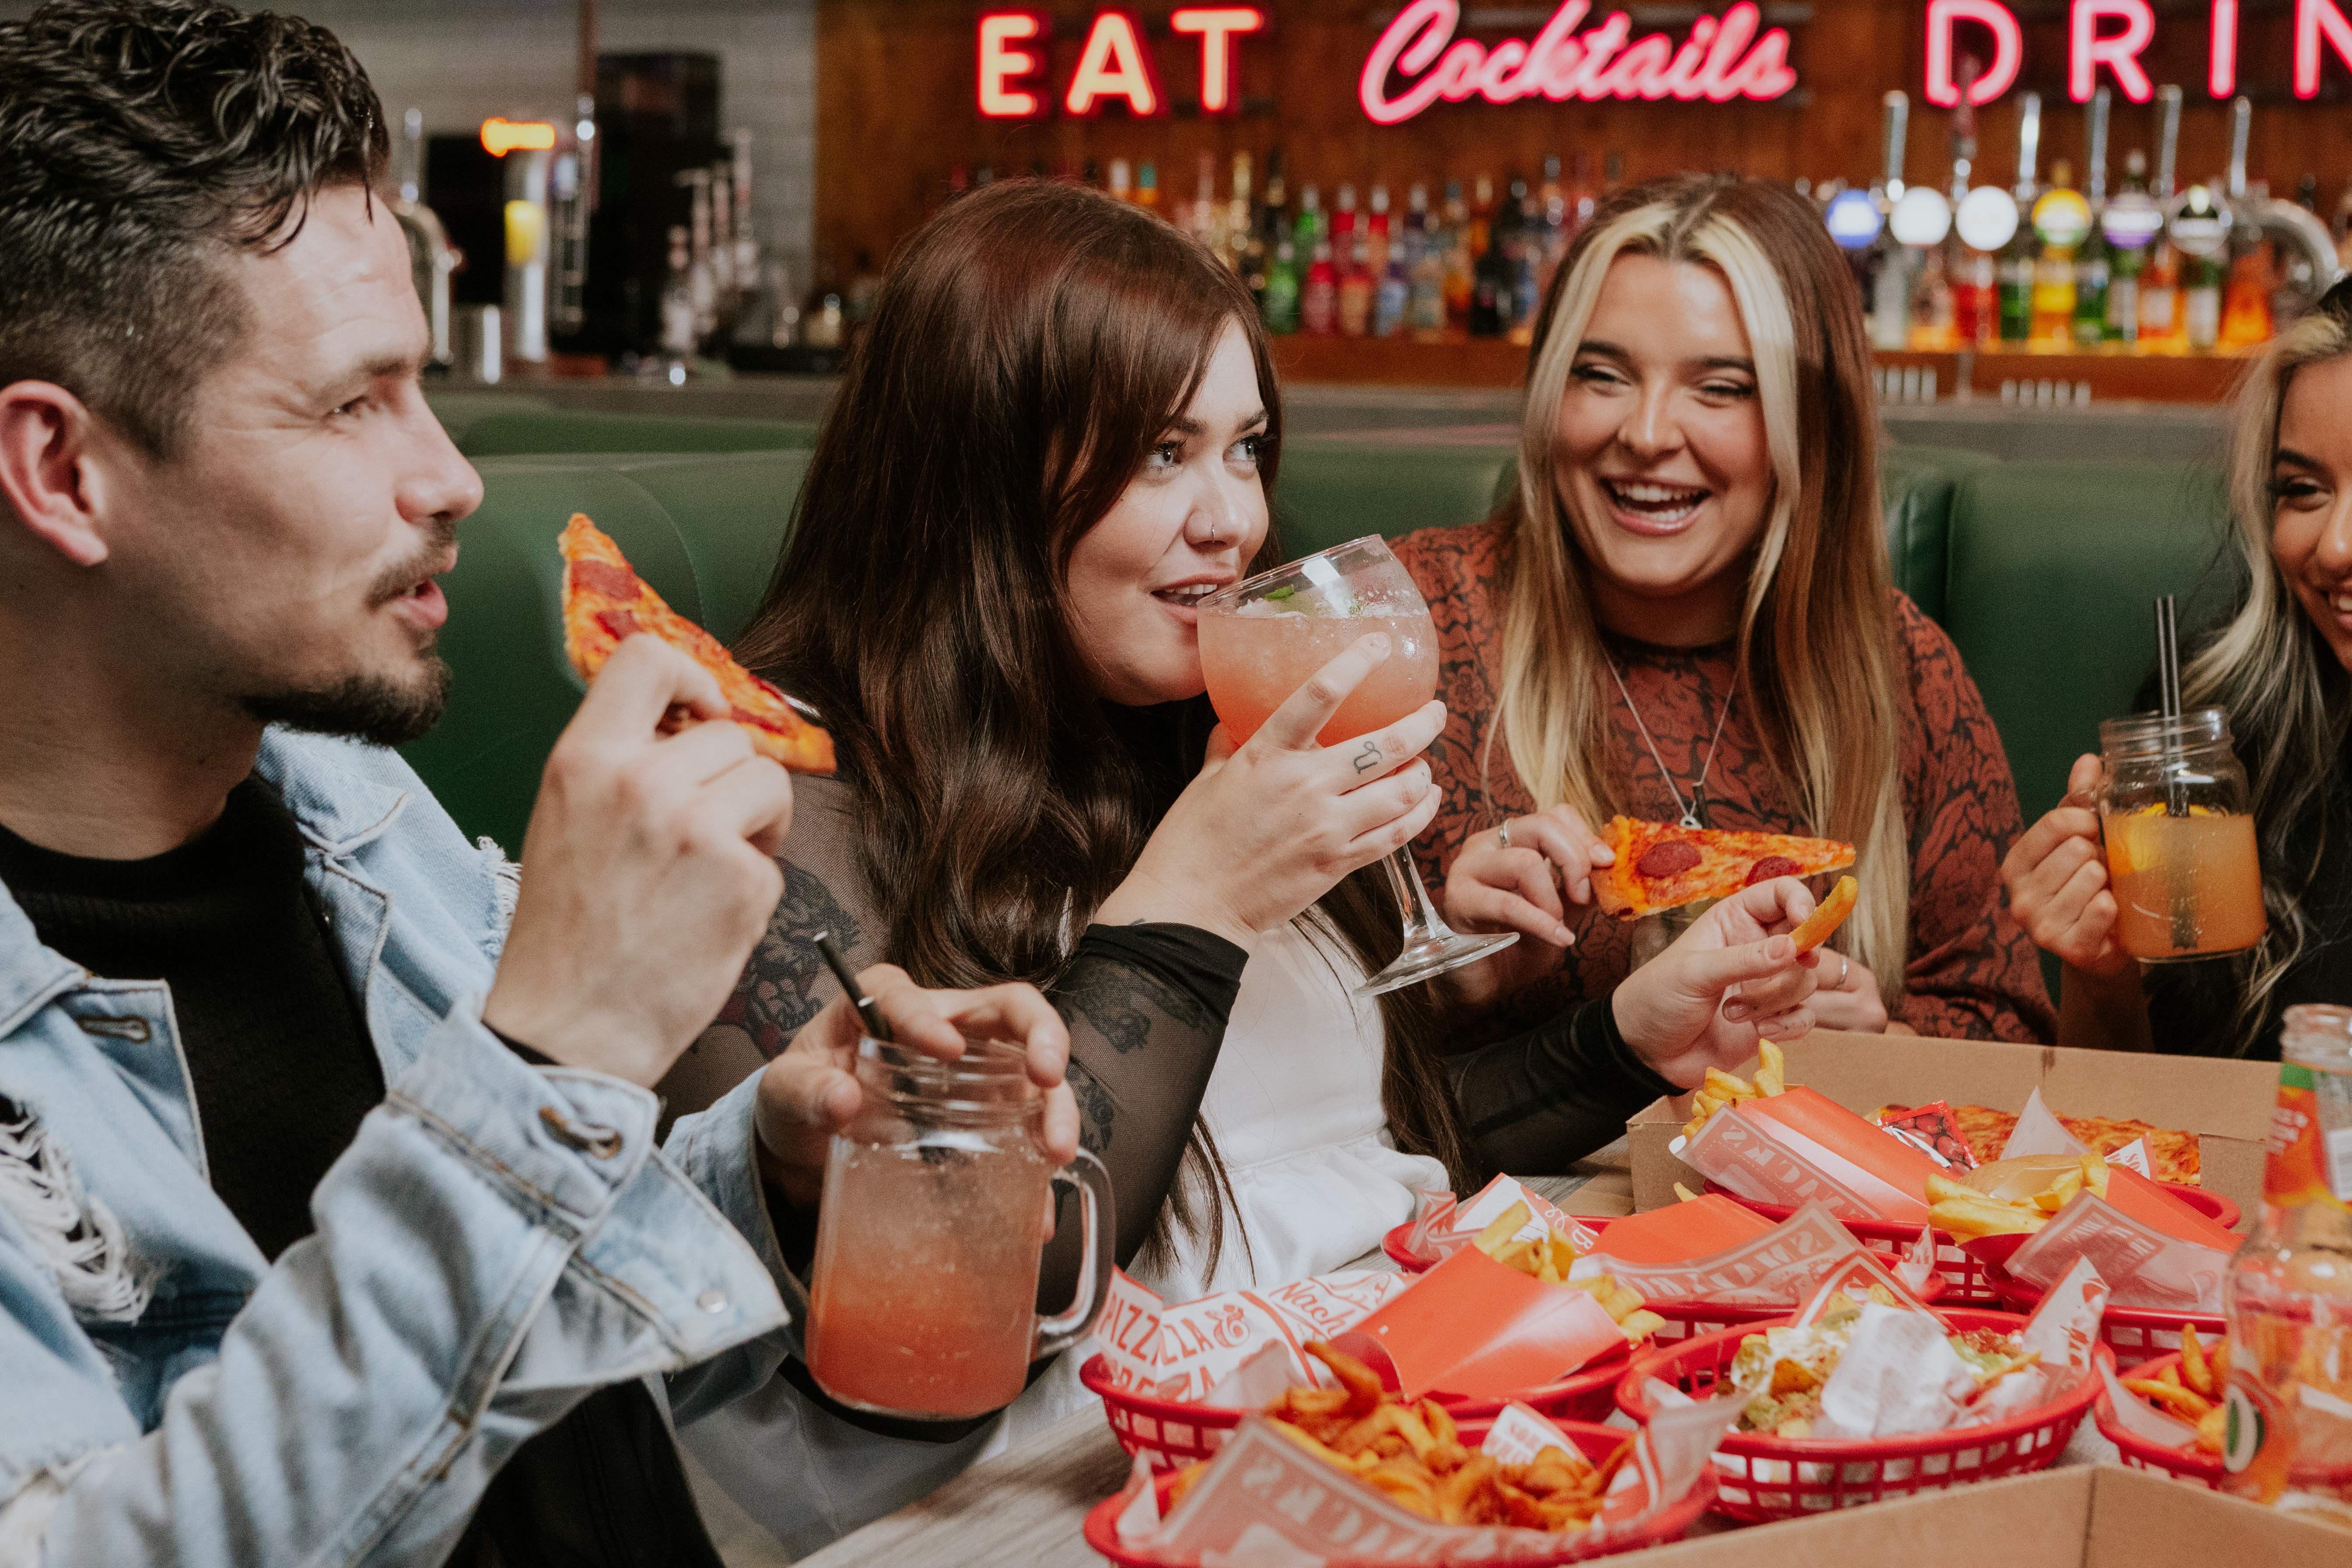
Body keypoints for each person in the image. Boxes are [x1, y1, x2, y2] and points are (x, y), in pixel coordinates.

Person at [0, 4, 1077, 1563]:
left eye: (425, 387)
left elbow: (521, 1321)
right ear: (61, 472)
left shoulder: (348, 810)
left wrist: (776, 1151)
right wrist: (545, 1048)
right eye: (352, 402)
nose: (451, 477)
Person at [660, 178, 1830, 1502]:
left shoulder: (1166, 730)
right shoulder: (774, 797)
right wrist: (1189, 908)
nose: (1234, 521)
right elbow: (958, 1301)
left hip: (1353, 1441)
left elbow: (1314, 1156)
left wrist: (1615, 1041)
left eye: (1243, 446)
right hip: (1032, 1505)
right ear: (978, 472)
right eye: (1162, 452)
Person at [1393, 174, 2053, 1044]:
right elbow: (1265, 1041)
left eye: (1719, 389)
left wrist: (1878, 1047)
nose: (1647, 433)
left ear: (1807, 430)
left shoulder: (1905, 670)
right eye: (1601, 375)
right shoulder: (1418, 628)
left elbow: (2004, 1040)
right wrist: (1444, 974)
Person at [2002, 277, 2352, 1058]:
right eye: (2302, 490)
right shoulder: (2214, 721)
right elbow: (2140, 1111)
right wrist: (2099, 973)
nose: (2334, 547)